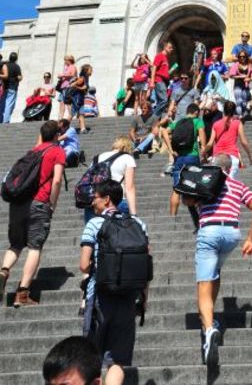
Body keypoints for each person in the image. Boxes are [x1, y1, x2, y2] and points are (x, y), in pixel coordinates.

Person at [179, 153, 252, 371]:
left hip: (209, 230)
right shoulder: (238, 185)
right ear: (229, 168)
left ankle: (208, 329)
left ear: (213, 166)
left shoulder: (206, 181)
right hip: (232, 234)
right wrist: (250, 239)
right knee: (215, 272)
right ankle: (210, 319)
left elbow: (187, 200)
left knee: (203, 284)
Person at [80, 180, 149, 385]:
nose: (92, 201)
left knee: (91, 357)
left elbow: (83, 265)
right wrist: (144, 299)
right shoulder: (139, 224)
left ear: (107, 199)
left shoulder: (94, 223)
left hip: (99, 297)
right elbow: (145, 266)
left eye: (95, 197)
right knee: (117, 360)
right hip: (128, 298)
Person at [0, 119, 65, 306]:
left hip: (18, 203)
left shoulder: (33, 151)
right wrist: (52, 204)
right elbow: (57, 180)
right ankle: (22, 294)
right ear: (56, 135)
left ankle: (3, 271)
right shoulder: (57, 151)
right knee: (35, 247)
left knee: (15, 245)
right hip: (39, 202)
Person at [166, 103, 206, 215]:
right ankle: (200, 216)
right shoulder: (198, 121)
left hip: (179, 159)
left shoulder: (178, 122)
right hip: (192, 157)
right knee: (196, 186)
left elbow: (164, 131)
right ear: (196, 112)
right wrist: (204, 151)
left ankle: (172, 217)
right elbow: (203, 141)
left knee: (176, 189)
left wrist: (171, 150)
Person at [206, 100, 252, 177]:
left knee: (218, 182)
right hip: (232, 156)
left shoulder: (216, 124)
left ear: (224, 110)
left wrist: (203, 152)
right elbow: (244, 142)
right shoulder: (238, 123)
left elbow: (210, 143)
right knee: (231, 182)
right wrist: (250, 157)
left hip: (217, 156)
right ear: (234, 111)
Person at [93, 136, 137, 219]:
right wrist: (134, 214)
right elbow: (129, 188)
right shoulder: (127, 158)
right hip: (117, 201)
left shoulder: (98, 157)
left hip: (97, 201)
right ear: (126, 147)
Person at [68, 65, 94, 135]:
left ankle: (83, 129)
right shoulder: (82, 78)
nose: (91, 71)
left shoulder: (86, 78)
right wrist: (79, 87)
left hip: (81, 99)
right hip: (77, 98)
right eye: (90, 70)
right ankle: (63, 127)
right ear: (86, 70)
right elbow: (74, 85)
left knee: (81, 114)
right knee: (72, 114)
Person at [148, 41, 171, 116]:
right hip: (159, 80)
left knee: (159, 101)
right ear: (165, 47)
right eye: (170, 47)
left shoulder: (165, 58)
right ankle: (153, 117)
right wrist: (152, 81)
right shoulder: (159, 56)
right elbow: (154, 68)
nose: (171, 49)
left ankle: (156, 119)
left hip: (164, 82)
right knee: (164, 100)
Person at [1, 51, 23, 123]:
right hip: (13, 87)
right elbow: (19, 77)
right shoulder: (16, 66)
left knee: (3, 103)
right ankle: (6, 120)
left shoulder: (5, 65)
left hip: (5, 87)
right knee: (9, 104)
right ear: (16, 59)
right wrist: (19, 78)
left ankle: (1, 119)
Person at [232, 50, 252, 118]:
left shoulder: (249, 65)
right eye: (240, 56)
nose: (242, 58)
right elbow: (231, 76)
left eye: (243, 56)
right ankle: (240, 115)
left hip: (245, 86)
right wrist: (240, 76)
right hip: (238, 85)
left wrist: (249, 79)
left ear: (246, 57)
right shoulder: (236, 65)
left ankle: (244, 114)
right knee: (239, 101)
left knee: (244, 102)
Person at [56, 55, 78, 121]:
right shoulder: (66, 68)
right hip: (63, 88)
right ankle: (60, 119)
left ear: (69, 60)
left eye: (65, 60)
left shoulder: (72, 66)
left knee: (68, 103)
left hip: (68, 87)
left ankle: (70, 117)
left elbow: (72, 74)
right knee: (61, 103)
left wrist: (62, 75)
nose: (65, 62)